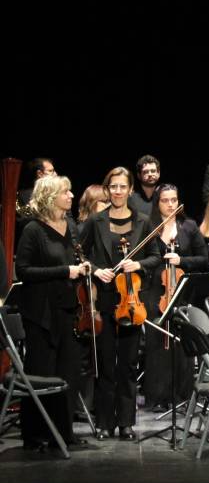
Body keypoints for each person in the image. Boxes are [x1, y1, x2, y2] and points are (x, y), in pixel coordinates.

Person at [79, 167, 160, 440]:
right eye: (113, 187)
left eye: (122, 187)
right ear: (107, 189)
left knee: (128, 364)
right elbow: (79, 254)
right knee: (105, 363)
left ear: (130, 190)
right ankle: (104, 421)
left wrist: (137, 263)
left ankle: (126, 422)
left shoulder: (143, 221)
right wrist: (94, 268)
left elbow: (155, 256)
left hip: (132, 300)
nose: (117, 191)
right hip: (104, 300)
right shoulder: (95, 220)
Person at [14, 174, 88, 451]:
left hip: (68, 310)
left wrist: (83, 268)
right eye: (66, 192)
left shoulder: (70, 225)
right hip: (41, 315)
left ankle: (63, 433)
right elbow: (23, 271)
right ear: (50, 197)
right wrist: (64, 271)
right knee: (41, 374)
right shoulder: (33, 230)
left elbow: (74, 260)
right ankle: (34, 435)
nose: (71, 196)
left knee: (67, 374)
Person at [141, 184, 206, 412]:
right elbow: (144, 257)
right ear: (157, 203)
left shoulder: (188, 226)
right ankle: (158, 396)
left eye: (174, 200)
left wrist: (182, 261)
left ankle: (182, 394)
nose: (170, 204)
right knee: (157, 342)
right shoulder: (148, 226)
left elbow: (203, 258)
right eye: (165, 200)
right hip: (155, 290)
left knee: (180, 343)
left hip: (180, 290)